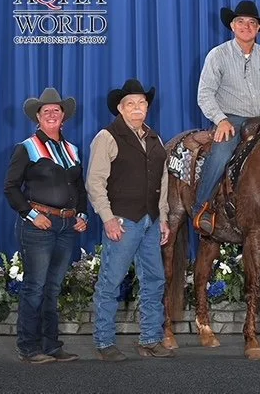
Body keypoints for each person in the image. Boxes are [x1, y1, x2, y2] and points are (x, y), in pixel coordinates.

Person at [86, 79, 173, 361]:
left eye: (142, 104)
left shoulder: (155, 138)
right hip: (123, 221)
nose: (138, 108)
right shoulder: (107, 137)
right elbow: (95, 182)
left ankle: (150, 339)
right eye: (131, 104)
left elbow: (162, 180)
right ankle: (104, 342)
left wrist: (163, 218)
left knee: (154, 280)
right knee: (111, 282)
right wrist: (108, 218)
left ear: (147, 107)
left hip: (150, 220)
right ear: (121, 109)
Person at [4, 88, 88, 364]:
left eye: (56, 110)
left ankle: (52, 345)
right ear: (37, 118)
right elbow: (11, 188)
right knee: (35, 286)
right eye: (46, 111)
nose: (51, 114)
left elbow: (79, 188)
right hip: (39, 224)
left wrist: (82, 215)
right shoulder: (26, 147)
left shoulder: (72, 149)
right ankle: (28, 347)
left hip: (66, 225)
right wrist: (30, 214)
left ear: (63, 117)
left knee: (52, 287)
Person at [193, 0, 260, 234]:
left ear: (258, 29)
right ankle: (202, 206)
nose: (246, 26)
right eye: (241, 22)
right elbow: (205, 93)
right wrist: (220, 119)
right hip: (232, 118)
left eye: (252, 23)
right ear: (232, 26)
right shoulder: (218, 56)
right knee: (222, 151)